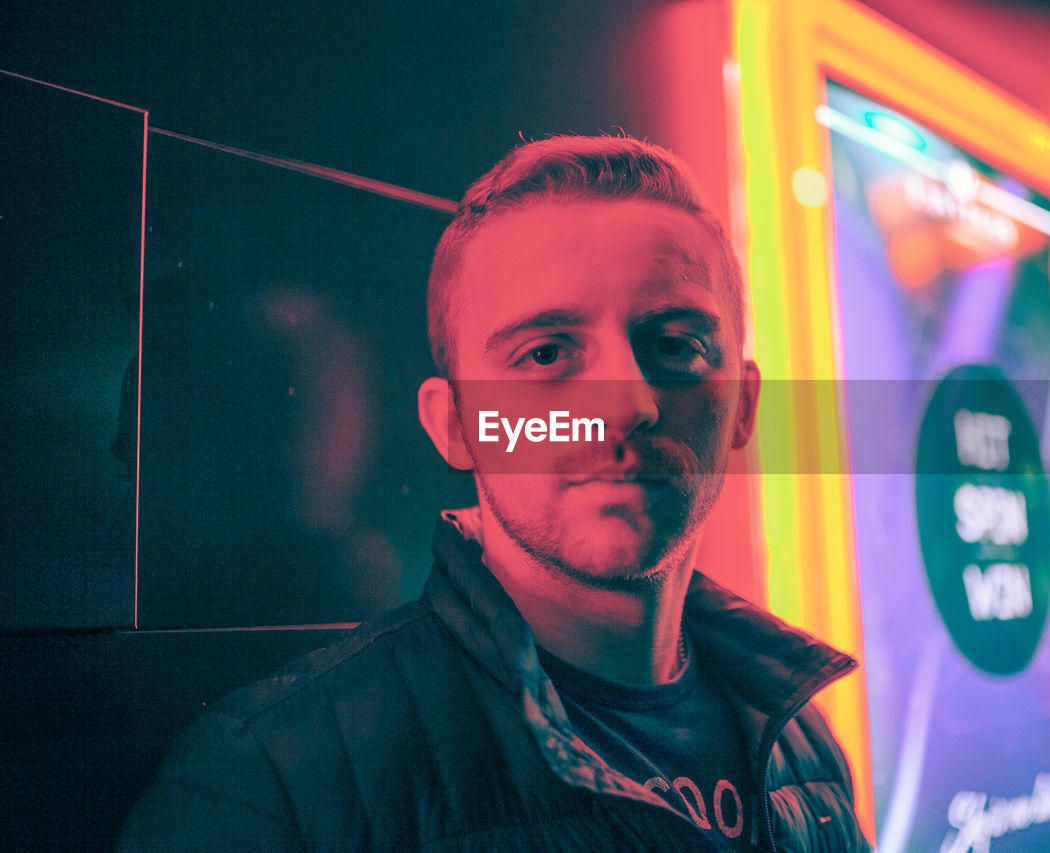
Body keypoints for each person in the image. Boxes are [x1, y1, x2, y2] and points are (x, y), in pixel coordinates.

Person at [119, 135, 871, 851]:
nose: (625, 404)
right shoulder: (274, 782)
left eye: (675, 345)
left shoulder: (803, 747)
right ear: (455, 426)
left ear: (742, 406)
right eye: (544, 353)